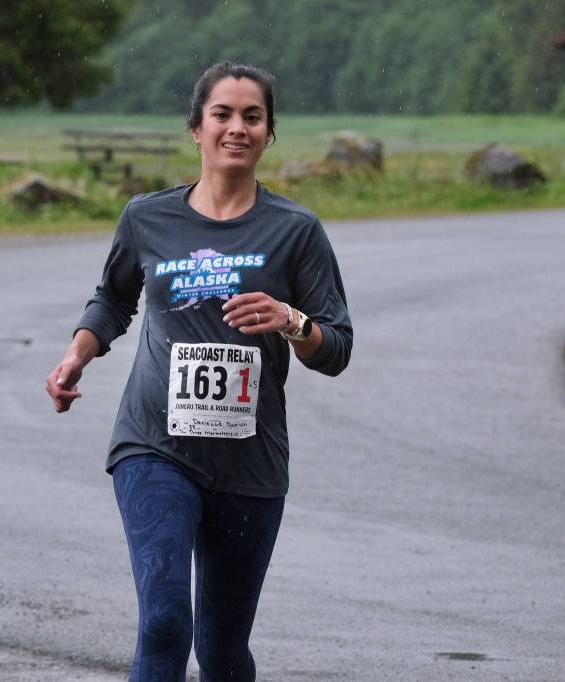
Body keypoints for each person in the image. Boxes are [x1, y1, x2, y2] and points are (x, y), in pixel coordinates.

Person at [45, 61, 352, 681]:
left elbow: (337, 348)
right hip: (155, 446)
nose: (236, 128)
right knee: (163, 623)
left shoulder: (296, 231)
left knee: (221, 647)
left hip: (250, 460)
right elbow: (113, 297)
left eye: (252, 116)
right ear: (196, 128)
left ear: (269, 133)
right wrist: (79, 353)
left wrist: (292, 320)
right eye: (222, 114)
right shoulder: (147, 218)